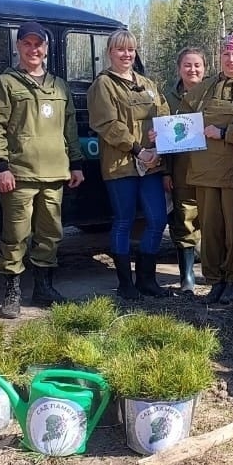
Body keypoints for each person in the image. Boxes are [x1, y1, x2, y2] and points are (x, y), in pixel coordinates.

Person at [0, 22, 84, 318]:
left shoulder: (59, 85)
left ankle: (43, 288)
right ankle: (12, 291)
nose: (33, 49)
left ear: (47, 48)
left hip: (55, 174)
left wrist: (75, 164)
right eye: (27, 43)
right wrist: (1, 165)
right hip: (20, 173)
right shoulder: (6, 83)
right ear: (19, 47)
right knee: (15, 235)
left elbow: (70, 128)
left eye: (39, 44)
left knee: (50, 234)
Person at [88, 29, 172, 299]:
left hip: (152, 164)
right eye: (120, 50)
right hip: (121, 164)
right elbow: (107, 124)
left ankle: (147, 279)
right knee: (123, 221)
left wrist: (159, 141)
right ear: (110, 52)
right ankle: (125, 283)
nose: (126, 55)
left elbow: (164, 114)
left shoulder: (148, 84)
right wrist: (138, 149)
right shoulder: (103, 85)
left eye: (131, 50)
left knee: (157, 219)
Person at [181, 33, 233, 304]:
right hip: (203, 171)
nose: (231, 59)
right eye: (226, 54)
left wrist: (226, 132)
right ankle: (214, 280)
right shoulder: (205, 87)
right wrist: (164, 134)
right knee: (209, 227)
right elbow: (183, 116)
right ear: (220, 57)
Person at [163, 47, 207, 292]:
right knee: (184, 221)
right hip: (180, 169)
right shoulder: (167, 98)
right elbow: (161, 139)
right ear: (179, 68)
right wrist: (165, 172)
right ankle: (187, 276)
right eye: (187, 65)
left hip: (211, 169)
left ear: (204, 68)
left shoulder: (212, 94)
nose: (193, 70)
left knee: (212, 222)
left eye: (197, 65)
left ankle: (214, 274)